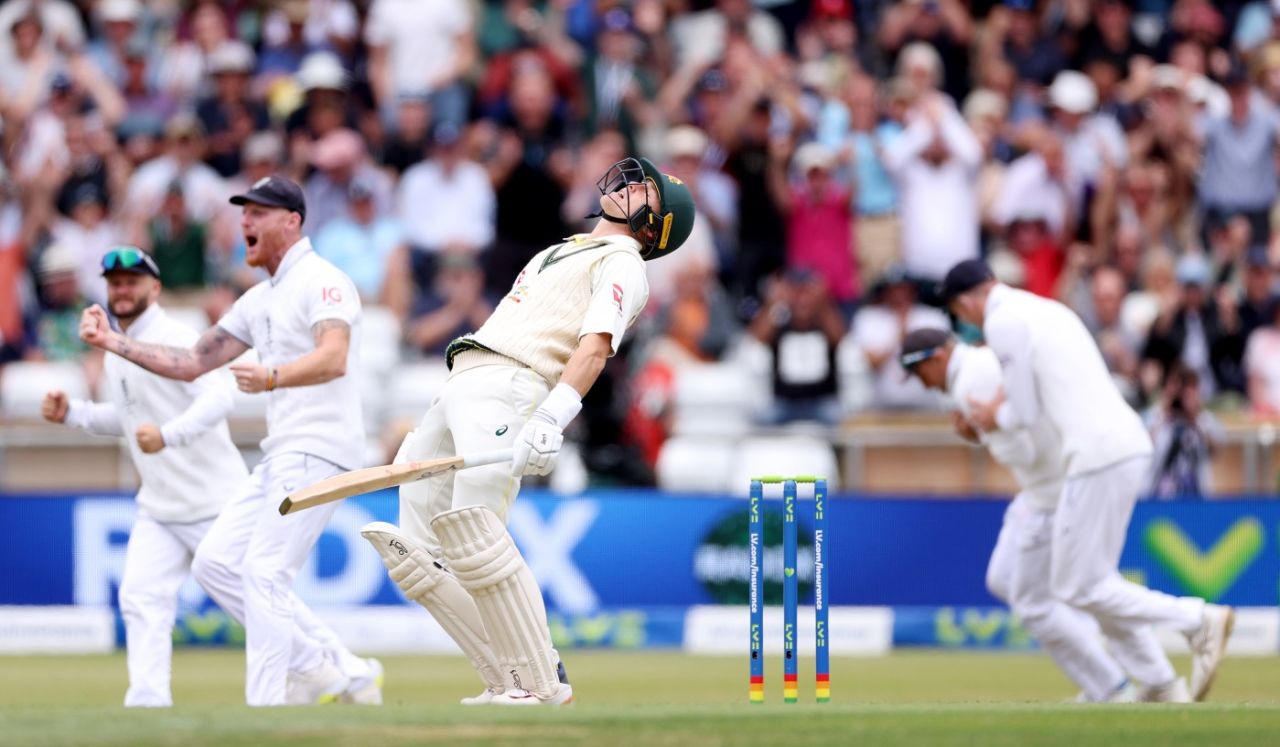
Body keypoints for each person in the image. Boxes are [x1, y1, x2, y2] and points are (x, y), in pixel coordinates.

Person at [358, 156, 694, 706]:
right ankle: (508, 679)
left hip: (512, 385)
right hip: (462, 377)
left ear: (652, 228)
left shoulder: (625, 262)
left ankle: (540, 681)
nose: (631, 185)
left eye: (646, 192)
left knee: (474, 535)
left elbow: (597, 344)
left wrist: (551, 415)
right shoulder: (559, 249)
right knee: (419, 557)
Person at [78, 177, 380, 707]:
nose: (245, 222)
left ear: (292, 220)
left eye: (258, 213)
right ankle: (332, 672)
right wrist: (112, 342)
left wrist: (272, 377)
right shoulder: (259, 298)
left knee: (263, 572)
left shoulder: (324, 280)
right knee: (215, 563)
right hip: (283, 450)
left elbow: (333, 357)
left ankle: (268, 705)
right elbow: (193, 363)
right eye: (243, 213)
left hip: (321, 448)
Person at [943, 258, 1235, 702]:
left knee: (1080, 585)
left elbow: (1023, 413)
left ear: (966, 301)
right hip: (1118, 445)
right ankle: (1158, 682)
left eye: (960, 315)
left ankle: (1197, 621)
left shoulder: (1003, 321)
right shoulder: (1040, 308)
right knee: (1092, 583)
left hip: (1096, 454)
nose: (965, 325)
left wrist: (987, 417)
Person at [900, 328, 1189, 703]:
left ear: (935, 357)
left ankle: (1159, 655)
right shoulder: (981, 364)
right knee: (1010, 580)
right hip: (1046, 489)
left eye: (919, 374)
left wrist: (983, 431)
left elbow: (1022, 450)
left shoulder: (971, 378)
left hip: (1055, 490)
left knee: (1077, 592)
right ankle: (1142, 681)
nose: (923, 386)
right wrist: (981, 432)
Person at [41, 247, 246, 707]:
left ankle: (338, 670)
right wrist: (73, 412)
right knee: (140, 596)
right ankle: (147, 702)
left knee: (255, 602)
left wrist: (169, 436)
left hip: (215, 501)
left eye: (132, 281)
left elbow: (219, 399)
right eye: (115, 282)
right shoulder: (117, 351)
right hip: (161, 505)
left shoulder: (176, 336)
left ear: (154, 288)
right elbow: (131, 416)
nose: (122, 289)